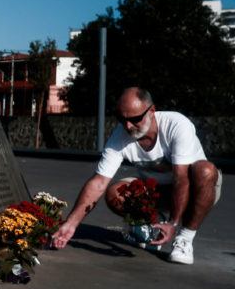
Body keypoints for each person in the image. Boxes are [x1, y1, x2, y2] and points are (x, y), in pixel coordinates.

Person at [51, 87, 222, 264]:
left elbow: (181, 180)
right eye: (122, 120)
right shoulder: (120, 136)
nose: (128, 126)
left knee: (205, 170)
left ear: (152, 111)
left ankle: (184, 238)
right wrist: (71, 224)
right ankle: (153, 226)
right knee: (114, 193)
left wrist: (174, 223)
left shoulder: (177, 125)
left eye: (135, 119)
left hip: (196, 190)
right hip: (158, 192)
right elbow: (99, 182)